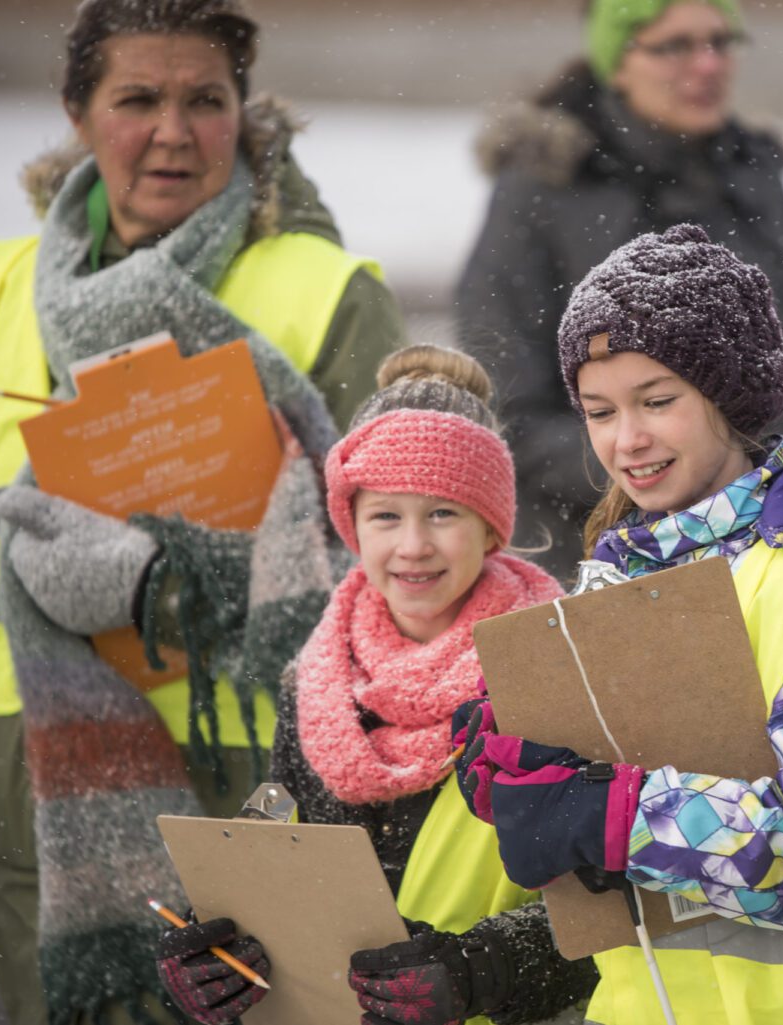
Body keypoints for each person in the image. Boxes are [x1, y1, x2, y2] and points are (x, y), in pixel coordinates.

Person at [0, 0, 406, 1020]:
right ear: (78, 115)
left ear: (244, 114)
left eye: (204, 100)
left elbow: (403, 578)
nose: (173, 132)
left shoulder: (324, 290)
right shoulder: (1, 290)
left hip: (262, 797)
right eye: (138, 99)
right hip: (47, 805)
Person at [455, 224, 783, 1024]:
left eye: (658, 401)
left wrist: (608, 816)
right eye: (598, 411)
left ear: (732, 395)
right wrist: (517, 773)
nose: (627, 440)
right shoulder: (611, 580)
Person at [155, 345, 598, 1025]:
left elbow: (616, 908)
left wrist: (477, 969)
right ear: (352, 524)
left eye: (443, 513)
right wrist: (214, 949)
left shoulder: (558, 663)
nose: (413, 545)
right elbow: (278, 859)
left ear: (490, 526)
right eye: (386, 515)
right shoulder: (314, 681)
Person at [455, 0, 783, 579]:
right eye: (674, 46)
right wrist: (667, 476)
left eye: (720, 41)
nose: (707, 65)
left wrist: (773, 494)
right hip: (587, 553)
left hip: (758, 540)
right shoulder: (544, 184)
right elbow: (510, 413)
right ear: (617, 63)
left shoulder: (751, 176)